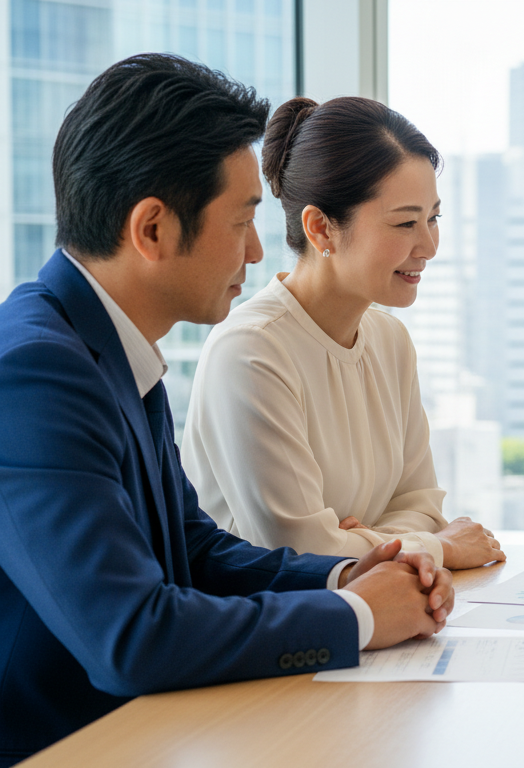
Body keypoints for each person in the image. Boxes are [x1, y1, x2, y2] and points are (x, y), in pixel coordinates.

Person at [0, 55, 453, 765]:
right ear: (152, 229)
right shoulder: (34, 372)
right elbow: (133, 638)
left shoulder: (108, 345)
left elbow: (192, 550)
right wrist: (359, 616)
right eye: (241, 219)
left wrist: (345, 576)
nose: (253, 248)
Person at [180, 96, 505, 571]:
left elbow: (423, 504)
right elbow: (298, 552)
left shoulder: (390, 341)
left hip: (375, 612)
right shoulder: (252, 350)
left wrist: (367, 543)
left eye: (433, 218)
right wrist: (437, 549)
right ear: (321, 228)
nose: (429, 246)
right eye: (406, 222)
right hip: (276, 629)